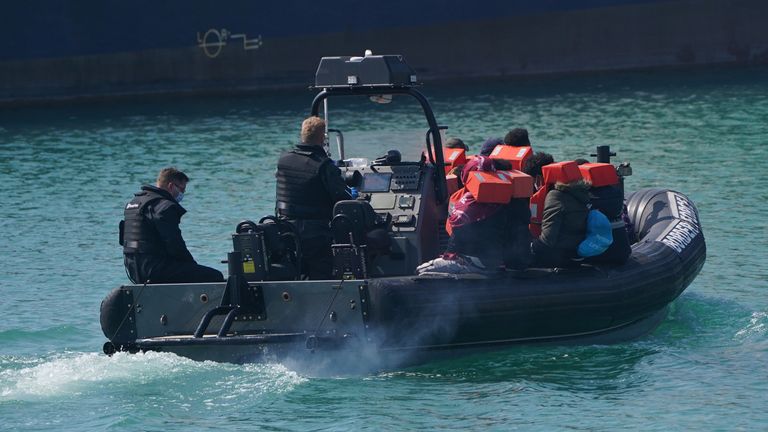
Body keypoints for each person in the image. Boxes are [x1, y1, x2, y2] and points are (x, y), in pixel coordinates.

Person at [275, 116, 352, 279]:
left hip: (286, 230)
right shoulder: (323, 165)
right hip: (316, 233)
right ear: (323, 137)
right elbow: (342, 198)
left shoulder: (284, 160)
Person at [121, 167, 224, 284]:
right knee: (214, 276)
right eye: (182, 190)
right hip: (155, 269)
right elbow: (175, 244)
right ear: (171, 186)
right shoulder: (165, 207)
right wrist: (192, 266)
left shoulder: (134, 203)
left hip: (133, 269)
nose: (182, 194)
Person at [531, 177, 591, 267]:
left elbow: (548, 239)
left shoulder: (556, 196)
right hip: (577, 252)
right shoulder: (583, 193)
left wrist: (531, 247)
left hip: (559, 256)